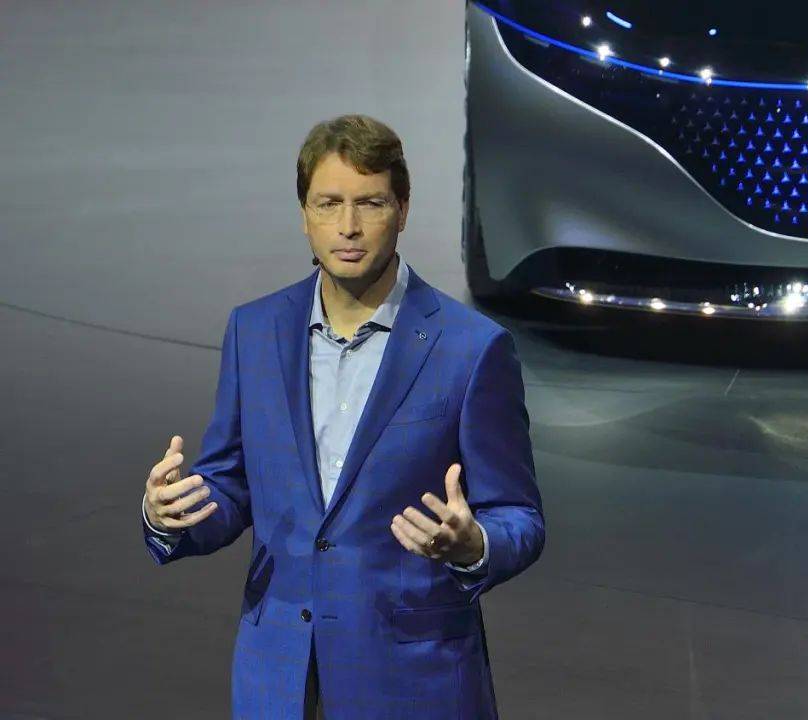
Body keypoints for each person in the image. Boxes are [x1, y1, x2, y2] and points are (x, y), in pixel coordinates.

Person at [140, 114, 545, 719]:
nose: (348, 227)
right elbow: (230, 484)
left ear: (402, 209)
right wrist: (170, 514)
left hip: (412, 681)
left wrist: (474, 545)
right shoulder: (254, 330)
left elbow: (519, 515)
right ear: (304, 213)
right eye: (328, 204)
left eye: (370, 203)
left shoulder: (471, 348)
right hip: (278, 677)